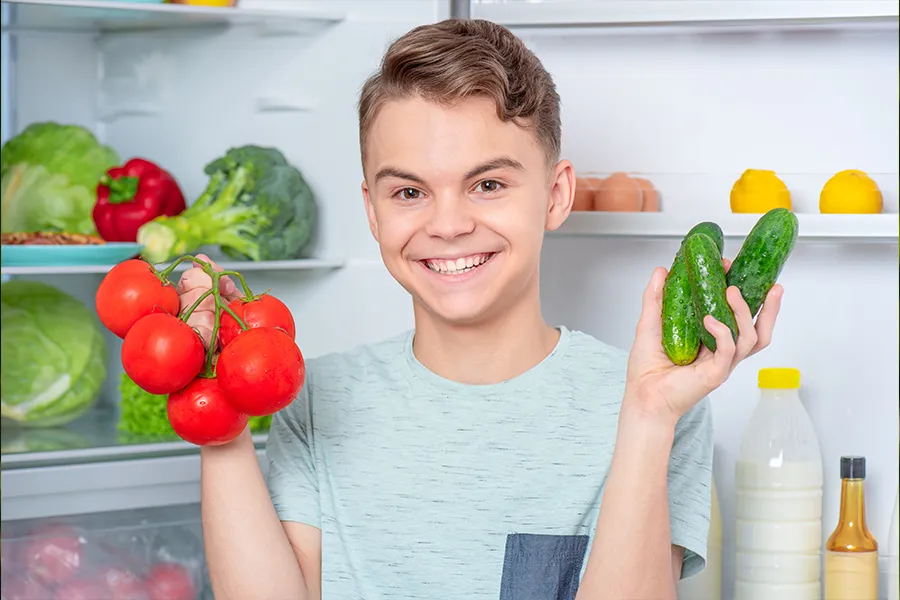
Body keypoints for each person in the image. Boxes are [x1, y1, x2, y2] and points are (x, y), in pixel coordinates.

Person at [179, 18, 783, 600]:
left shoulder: (655, 398)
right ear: (373, 212)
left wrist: (649, 417)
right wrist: (216, 410)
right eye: (409, 192)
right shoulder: (313, 399)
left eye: (488, 185)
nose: (447, 225)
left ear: (556, 195)